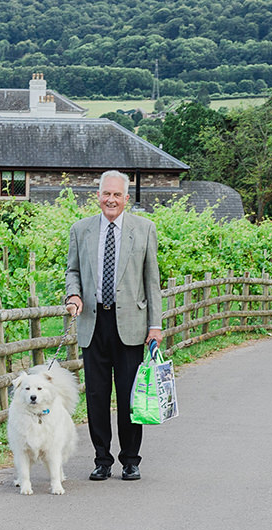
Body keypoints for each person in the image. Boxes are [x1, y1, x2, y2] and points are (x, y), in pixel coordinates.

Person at [65, 170, 163, 481]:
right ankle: (102, 459)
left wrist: (155, 325)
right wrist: (74, 295)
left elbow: (152, 282)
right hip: (93, 321)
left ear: (126, 198)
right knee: (96, 395)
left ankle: (130, 460)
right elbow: (73, 271)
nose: (111, 199)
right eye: (106, 194)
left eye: (117, 195)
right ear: (98, 196)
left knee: (128, 395)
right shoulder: (80, 230)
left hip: (131, 324)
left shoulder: (144, 229)